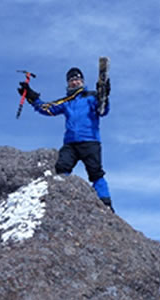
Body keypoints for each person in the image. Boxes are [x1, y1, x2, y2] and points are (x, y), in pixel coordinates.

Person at [17, 67, 114, 213]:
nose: (75, 82)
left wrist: (104, 95)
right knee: (62, 168)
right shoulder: (66, 101)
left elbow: (103, 110)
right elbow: (47, 109)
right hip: (70, 143)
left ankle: (105, 204)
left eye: (77, 79)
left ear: (82, 81)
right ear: (68, 84)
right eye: (71, 80)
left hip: (90, 141)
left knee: (96, 174)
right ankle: (63, 198)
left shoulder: (92, 97)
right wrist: (31, 97)